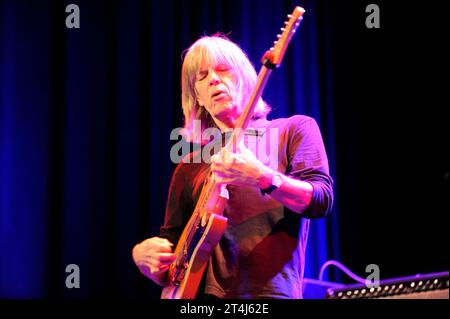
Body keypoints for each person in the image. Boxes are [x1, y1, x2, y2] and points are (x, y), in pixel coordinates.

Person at [132, 34, 333, 299]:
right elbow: (174, 247)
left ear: (247, 79)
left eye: (223, 69)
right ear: (199, 98)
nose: (214, 79)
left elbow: (321, 200)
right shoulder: (189, 164)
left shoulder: (293, 130)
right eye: (202, 77)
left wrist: (262, 176)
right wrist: (145, 258)